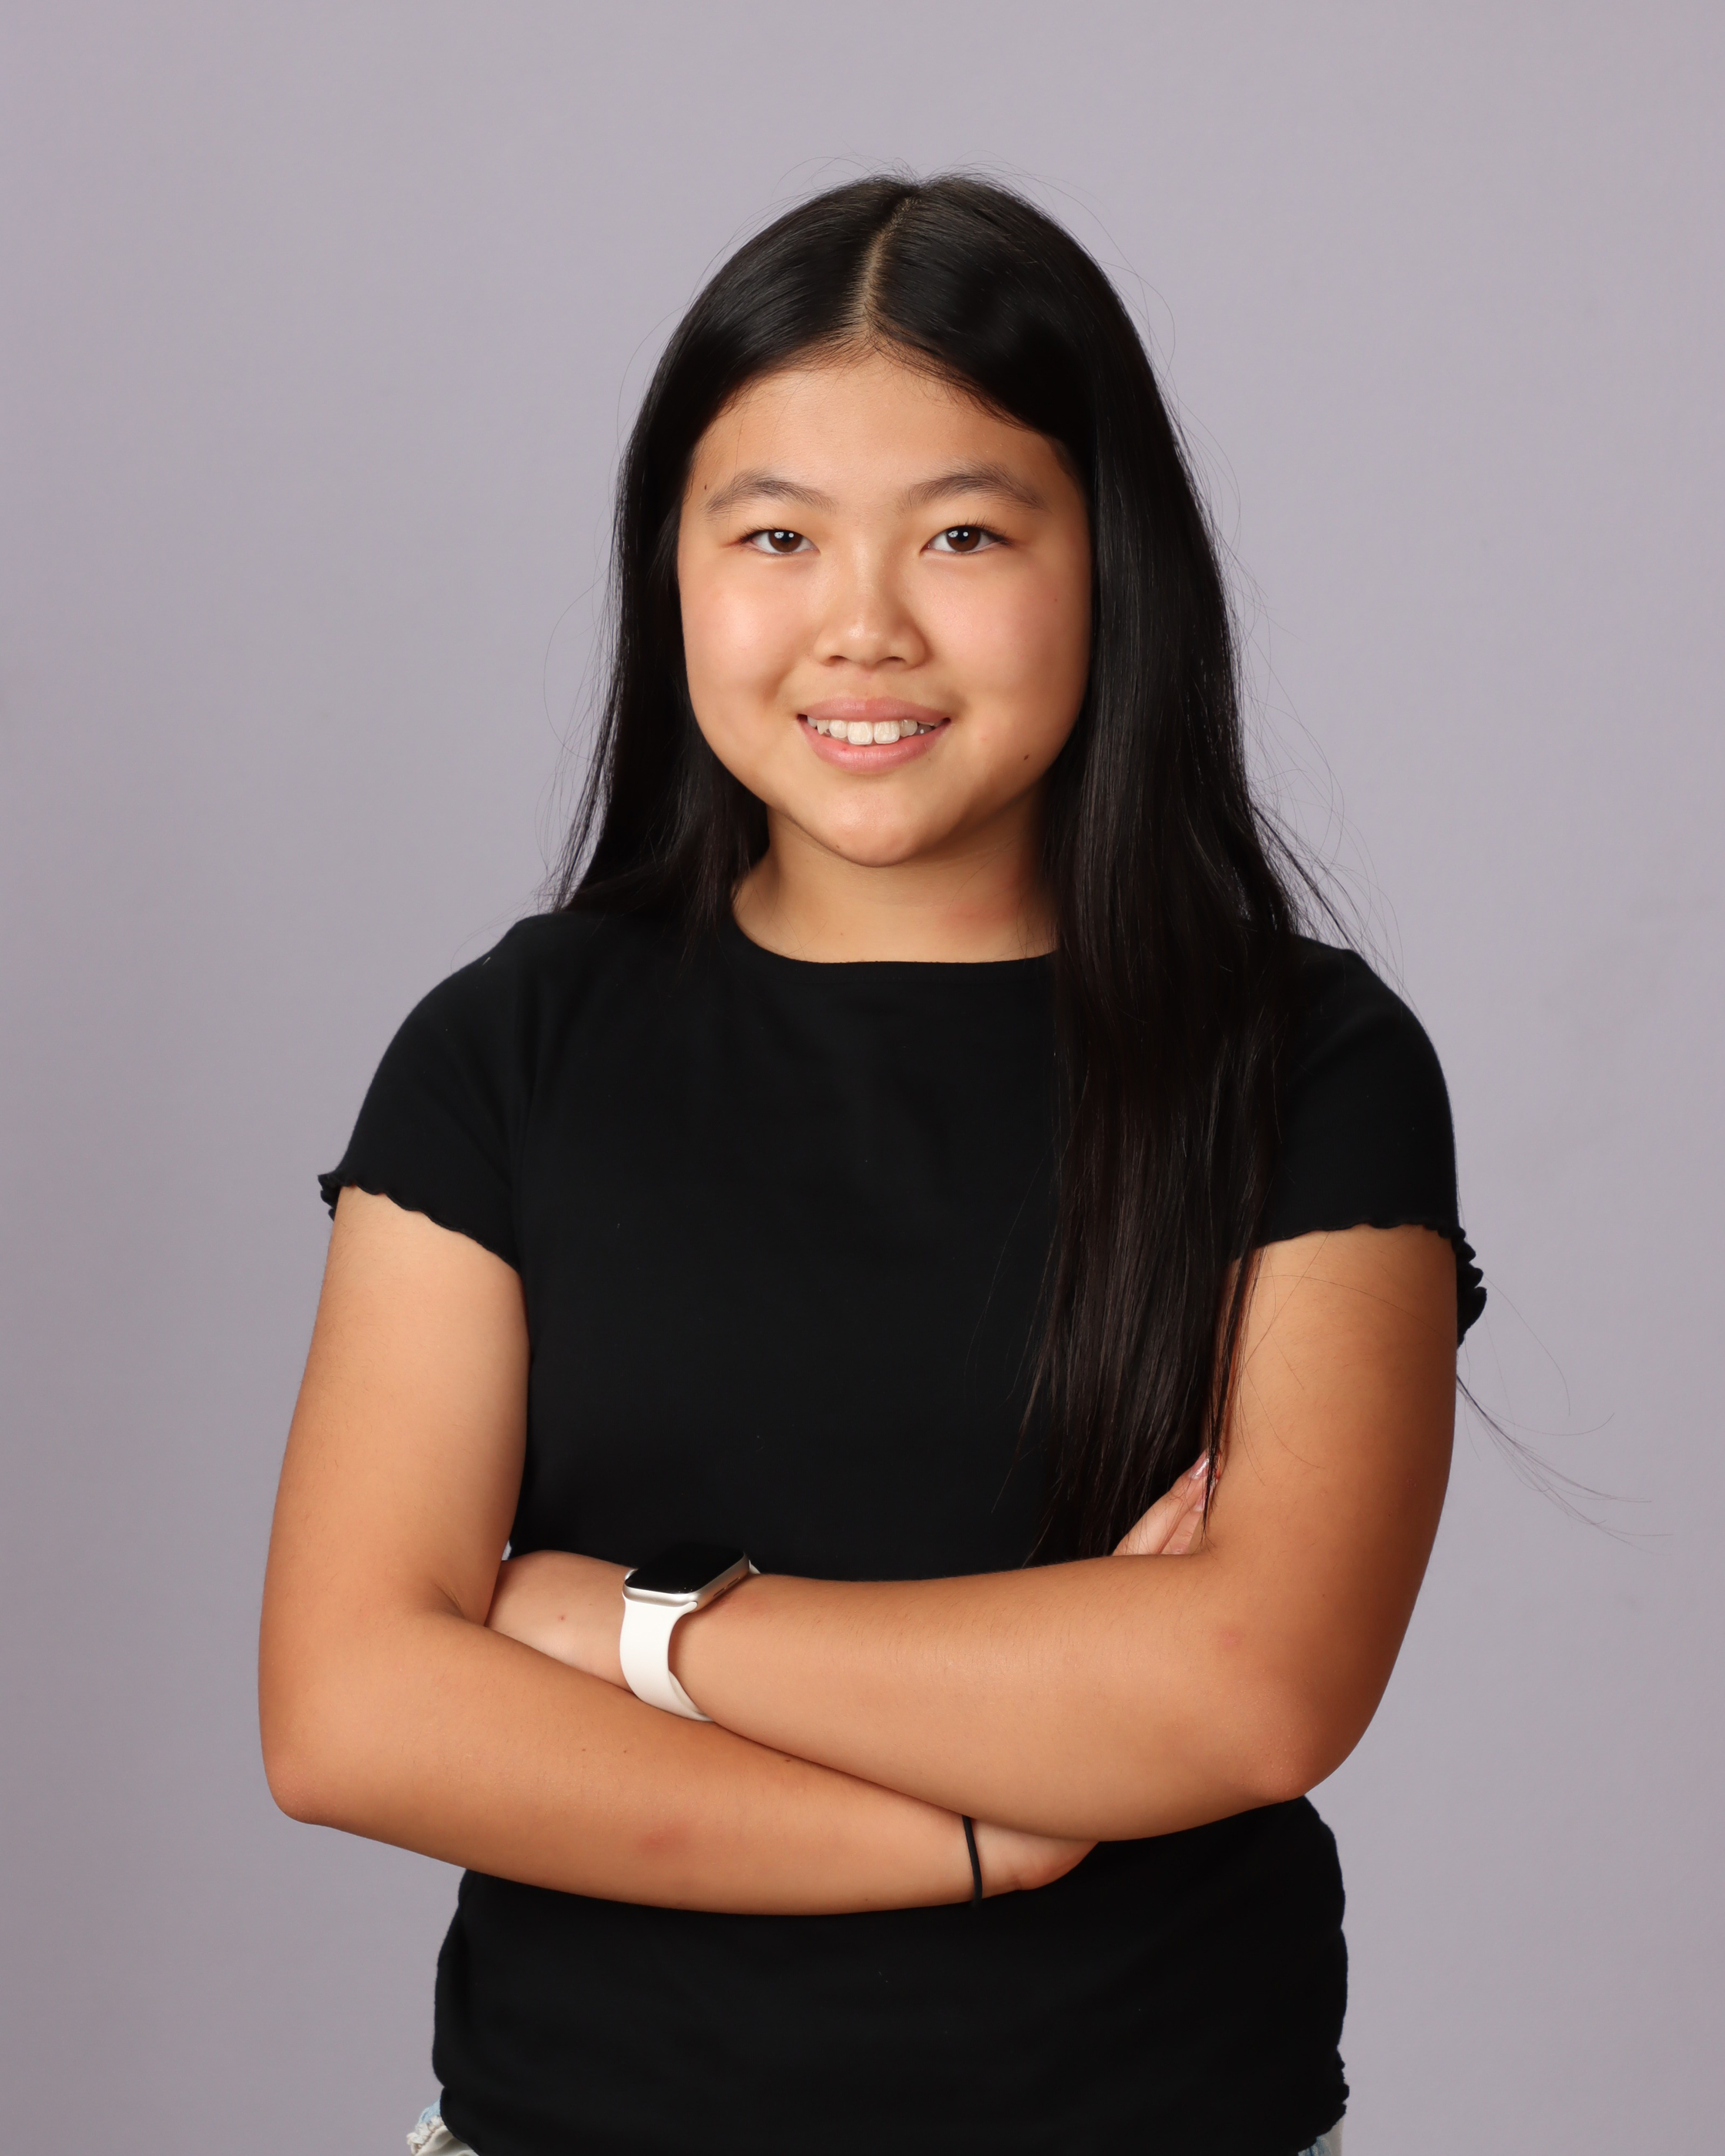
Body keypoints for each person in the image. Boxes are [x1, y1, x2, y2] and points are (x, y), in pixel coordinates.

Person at [260, 174, 1483, 2156]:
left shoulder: (1306, 1061)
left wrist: (630, 1626)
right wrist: (978, 1829)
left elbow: (1254, 1686)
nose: (863, 623)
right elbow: (348, 1711)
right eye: (774, 534)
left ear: (1112, 561)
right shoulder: (508, 1048)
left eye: (965, 534)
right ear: (673, 568)